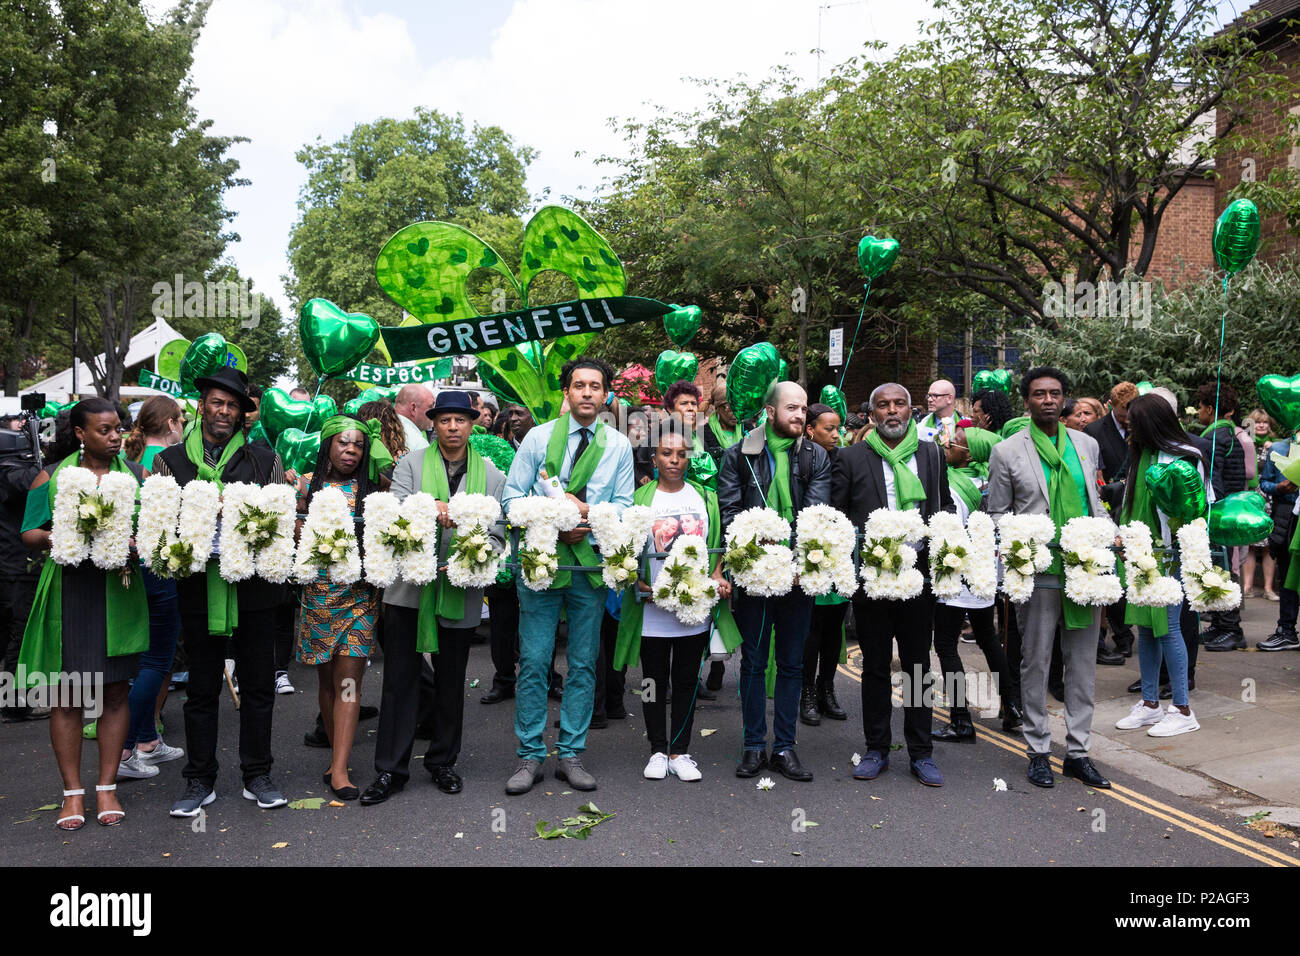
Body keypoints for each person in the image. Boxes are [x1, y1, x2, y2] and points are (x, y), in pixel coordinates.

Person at [151, 367, 290, 816]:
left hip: (254, 589)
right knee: (202, 688)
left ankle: (257, 774)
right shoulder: (170, 462)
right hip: (196, 588)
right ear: (201, 406)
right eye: (217, 402)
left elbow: (281, 527)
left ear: (243, 414)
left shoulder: (264, 460)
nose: (224, 411)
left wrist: (247, 517)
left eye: (233, 405)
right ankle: (198, 779)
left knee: (257, 685)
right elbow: (158, 526)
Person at [361, 392, 506, 804]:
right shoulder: (409, 464)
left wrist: (474, 555)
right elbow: (397, 511)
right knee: (399, 679)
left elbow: (499, 534)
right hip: (409, 589)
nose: (454, 427)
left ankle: (442, 761)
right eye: (445, 420)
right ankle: (391, 769)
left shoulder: (493, 476)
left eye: (461, 420)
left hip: (460, 588)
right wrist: (430, 508)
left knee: (449, 680)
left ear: (473, 424)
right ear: (433, 424)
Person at [501, 358, 634, 795]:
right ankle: (530, 755)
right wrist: (554, 515)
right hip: (541, 562)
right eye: (579, 385)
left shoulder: (618, 446)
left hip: (589, 566)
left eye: (596, 386)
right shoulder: (538, 439)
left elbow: (626, 506)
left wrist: (588, 516)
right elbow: (511, 498)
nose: (587, 393)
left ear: (607, 394)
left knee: (582, 662)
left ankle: (572, 752)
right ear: (567, 392)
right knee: (536, 660)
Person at [19, 398, 150, 828]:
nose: (115, 437)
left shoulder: (133, 476)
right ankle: (72, 794)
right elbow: (29, 532)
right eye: (105, 430)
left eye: (118, 429)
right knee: (67, 695)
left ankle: (107, 787)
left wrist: (137, 543)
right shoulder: (52, 476)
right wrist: (64, 534)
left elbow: (149, 530)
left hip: (119, 592)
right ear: (80, 433)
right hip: (70, 592)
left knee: (115, 692)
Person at [986, 367, 1111, 791]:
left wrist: (1107, 536)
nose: (1048, 400)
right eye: (1039, 394)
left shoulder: (1087, 444)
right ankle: (1038, 750)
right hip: (1039, 573)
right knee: (1036, 663)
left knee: (1082, 666)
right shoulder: (1006, 451)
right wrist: (1024, 544)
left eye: (1055, 393)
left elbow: (1095, 502)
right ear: (1027, 401)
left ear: (1065, 399)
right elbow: (997, 513)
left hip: (1086, 568)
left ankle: (1078, 753)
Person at [832, 384, 952, 786]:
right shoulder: (850, 457)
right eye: (882, 405)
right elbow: (839, 515)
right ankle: (876, 749)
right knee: (876, 667)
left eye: (899, 403)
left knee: (918, 666)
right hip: (873, 579)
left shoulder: (932, 454)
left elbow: (944, 506)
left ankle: (921, 753)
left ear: (911, 409)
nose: (892, 411)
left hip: (919, 579)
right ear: (872, 414)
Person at [613, 419, 740, 782]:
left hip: (693, 611)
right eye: (666, 453)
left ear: (689, 459)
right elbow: (624, 550)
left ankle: (680, 751)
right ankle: (656, 748)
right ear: (654, 458)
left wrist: (717, 575)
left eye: (681, 454)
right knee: (653, 680)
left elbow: (718, 543)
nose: (674, 460)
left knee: (686, 681)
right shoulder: (639, 499)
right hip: (651, 610)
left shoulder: (706, 497)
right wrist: (637, 581)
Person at [718, 380, 830, 782]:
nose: (800, 415)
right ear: (770, 411)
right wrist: (754, 544)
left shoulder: (816, 456)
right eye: (792, 408)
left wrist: (791, 555)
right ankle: (752, 746)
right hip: (754, 576)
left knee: (791, 664)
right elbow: (729, 510)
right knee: (751, 663)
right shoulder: (738, 456)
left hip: (799, 575)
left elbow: (816, 514)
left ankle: (784, 747)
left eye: (803, 409)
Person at [294, 416, 390, 800]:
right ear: (327, 447)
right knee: (327, 682)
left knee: (349, 680)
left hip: (359, 597)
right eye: (343, 444)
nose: (351, 451)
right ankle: (336, 755)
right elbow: (288, 530)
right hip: (316, 595)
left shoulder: (375, 489)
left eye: (358, 445)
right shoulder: (305, 485)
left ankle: (339, 769)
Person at [1113, 394, 1204, 738]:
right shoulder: (1142, 455)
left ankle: (1182, 709)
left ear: (1151, 424)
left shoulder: (1185, 456)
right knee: (1146, 629)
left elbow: (1193, 510)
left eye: (1134, 424)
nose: (1129, 429)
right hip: (1140, 554)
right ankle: (1150, 704)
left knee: (1168, 627)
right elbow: (1131, 504)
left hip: (1170, 554)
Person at [931, 424, 1017, 744]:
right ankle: (1012, 707)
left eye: (956, 442)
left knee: (944, 645)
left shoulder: (953, 485)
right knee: (989, 640)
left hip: (958, 576)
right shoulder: (992, 481)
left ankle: (961, 720)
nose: (948, 444)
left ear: (972, 453)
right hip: (985, 575)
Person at [115, 396, 187, 780]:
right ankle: (124, 748)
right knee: (156, 660)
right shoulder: (164, 464)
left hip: (138, 567)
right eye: (182, 420)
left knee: (149, 658)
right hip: (155, 565)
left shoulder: (133, 460)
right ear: (172, 423)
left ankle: (146, 739)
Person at [1085, 382, 1140, 665]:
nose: (1127, 418)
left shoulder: (1140, 428)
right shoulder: (1094, 432)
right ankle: (1116, 634)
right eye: (1122, 413)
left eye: (1131, 412)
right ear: (1110, 406)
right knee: (1109, 574)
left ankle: (1124, 633)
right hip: (1105, 508)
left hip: (1131, 509)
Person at [800, 403, 848, 725]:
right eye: (828, 428)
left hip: (840, 553)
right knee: (812, 629)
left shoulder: (845, 460)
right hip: (812, 552)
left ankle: (827, 689)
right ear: (810, 430)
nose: (835, 434)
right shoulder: (802, 460)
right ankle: (806, 693)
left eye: (838, 428)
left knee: (835, 627)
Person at [0, 414, 45, 723]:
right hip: (16, 567)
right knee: (20, 634)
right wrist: (41, 458)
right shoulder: (9, 475)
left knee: (9, 635)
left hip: (10, 565)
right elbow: (35, 479)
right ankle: (16, 704)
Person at [1196, 382, 1248, 651]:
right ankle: (1219, 622)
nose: (1200, 413)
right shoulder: (1230, 434)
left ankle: (1231, 626)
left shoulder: (1215, 437)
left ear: (1211, 408)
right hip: (1230, 510)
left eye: (1202, 408)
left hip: (1219, 514)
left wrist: (1206, 511)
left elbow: (1213, 481)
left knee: (1221, 569)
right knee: (1218, 568)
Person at [1241, 409, 1277, 600]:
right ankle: (1247, 587)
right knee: (1251, 544)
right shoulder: (1246, 445)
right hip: (1250, 498)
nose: (1262, 425)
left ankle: (1268, 589)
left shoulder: (1276, 446)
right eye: (1258, 423)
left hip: (1269, 499)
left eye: (1265, 423)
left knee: (1268, 546)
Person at [702, 384, 743, 468]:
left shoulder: (747, 429)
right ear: (717, 408)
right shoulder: (705, 433)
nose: (735, 414)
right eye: (729, 408)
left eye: (738, 408)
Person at [393, 384, 434, 454]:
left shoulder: (379, 426)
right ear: (413, 408)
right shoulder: (418, 444)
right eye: (430, 407)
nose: (433, 413)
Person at [920, 379, 957, 444]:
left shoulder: (967, 427)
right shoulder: (920, 427)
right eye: (929, 395)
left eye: (935, 396)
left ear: (949, 398)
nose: (929, 399)